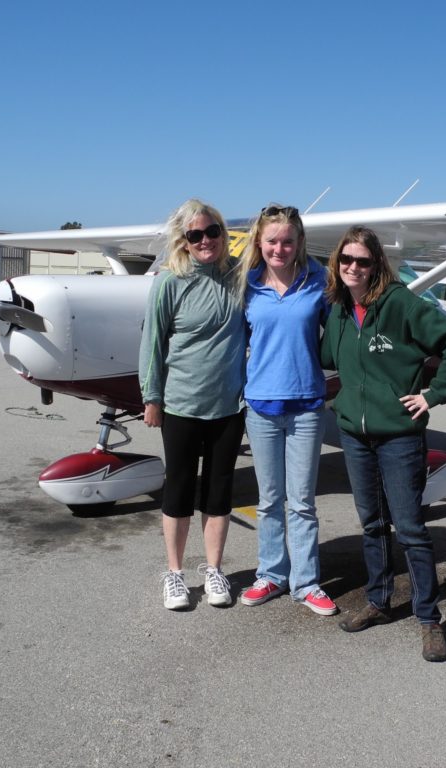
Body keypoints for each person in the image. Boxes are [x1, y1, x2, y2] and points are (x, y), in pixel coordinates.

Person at [319, 226, 446, 662]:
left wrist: (433, 394)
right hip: (354, 434)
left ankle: (429, 619)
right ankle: (379, 600)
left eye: (362, 261)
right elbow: (328, 356)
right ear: (337, 262)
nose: (353, 267)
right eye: (346, 259)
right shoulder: (339, 309)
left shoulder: (400, 303)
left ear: (376, 265)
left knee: (410, 528)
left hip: (400, 435)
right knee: (372, 523)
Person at [139, 199, 247, 611]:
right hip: (182, 405)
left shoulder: (238, 277)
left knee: (219, 492)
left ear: (222, 233)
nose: (205, 240)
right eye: (195, 234)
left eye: (212, 231)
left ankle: (214, 569)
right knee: (179, 490)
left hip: (229, 406)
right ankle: (175, 573)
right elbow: (152, 343)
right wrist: (152, 397)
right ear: (184, 240)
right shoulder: (169, 282)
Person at [235, 205, 337, 616]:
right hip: (261, 406)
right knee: (269, 499)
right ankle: (272, 574)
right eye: (272, 241)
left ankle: (306, 582)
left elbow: (342, 331)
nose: (280, 248)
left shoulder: (319, 281)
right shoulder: (246, 285)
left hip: (307, 405)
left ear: (300, 243)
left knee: (302, 502)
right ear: (260, 242)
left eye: (288, 241)